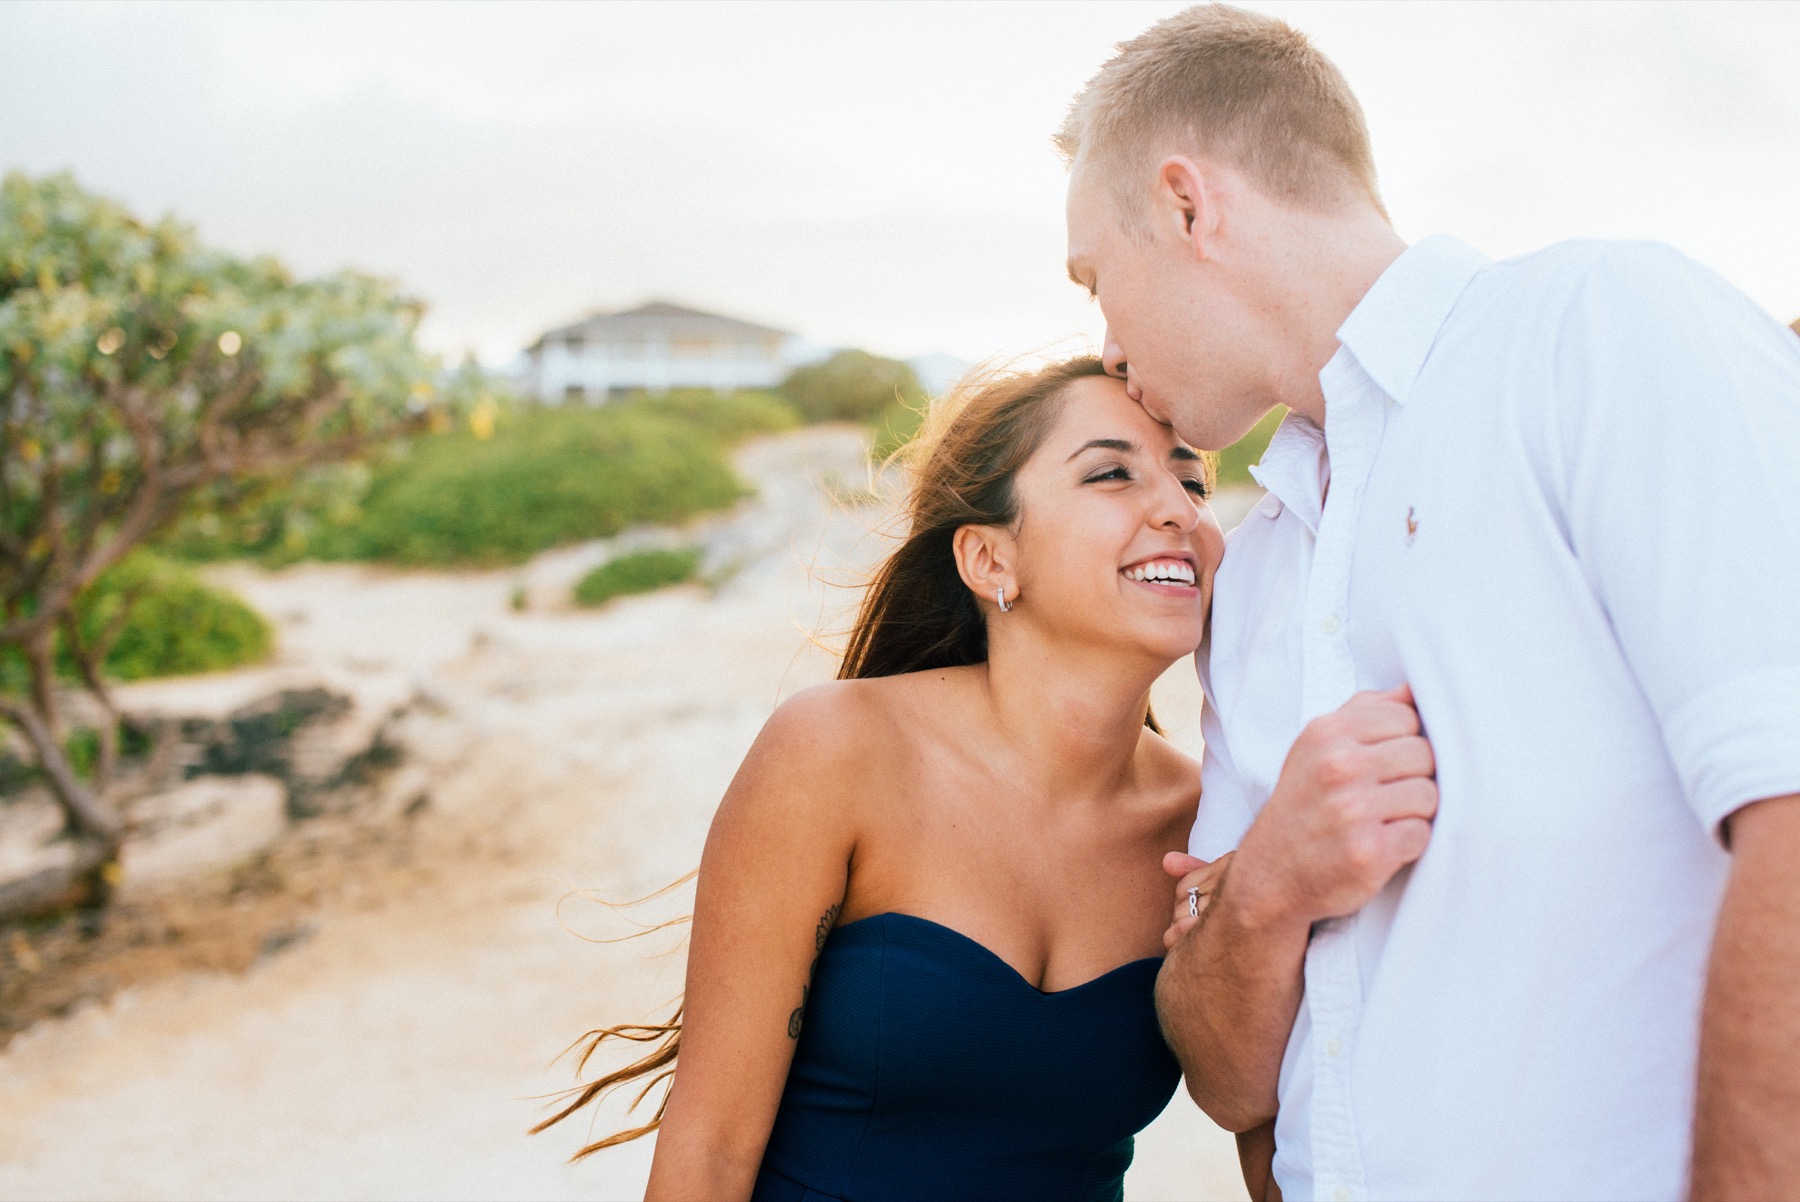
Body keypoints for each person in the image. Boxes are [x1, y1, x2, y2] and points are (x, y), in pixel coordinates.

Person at [1059, 6, 1800, 1201]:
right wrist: (1267, 886)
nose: (1105, 341)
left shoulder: (1601, 329)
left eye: (1098, 276)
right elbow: (1231, 1078)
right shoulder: (1250, 580)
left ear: (1189, 204)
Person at [536, 356, 1262, 1201]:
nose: (1179, 511)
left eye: (1195, 485)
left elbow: (1275, 1137)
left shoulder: (1211, 820)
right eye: (1111, 474)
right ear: (990, 560)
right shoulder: (836, 752)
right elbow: (709, 1151)